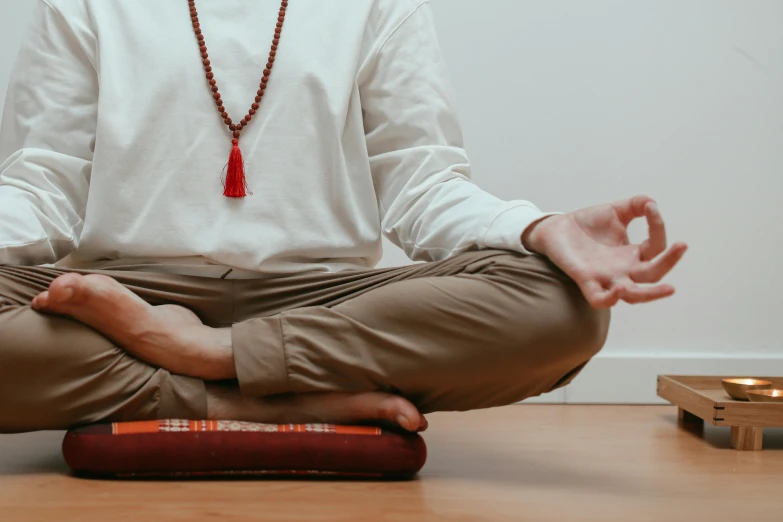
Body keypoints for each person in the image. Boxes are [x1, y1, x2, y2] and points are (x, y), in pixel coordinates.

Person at [0, 0, 686, 434]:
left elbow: (421, 182)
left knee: (564, 308)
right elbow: (41, 186)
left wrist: (538, 229)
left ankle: (209, 359)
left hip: (322, 301)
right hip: (119, 296)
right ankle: (242, 397)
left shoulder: (379, 6)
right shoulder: (80, 5)